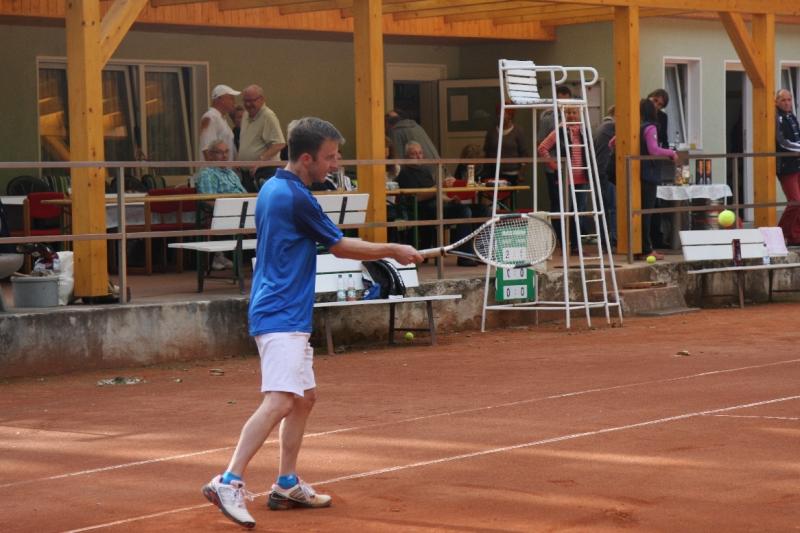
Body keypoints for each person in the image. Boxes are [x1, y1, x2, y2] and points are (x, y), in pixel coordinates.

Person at [202, 117, 422, 528]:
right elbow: (340, 247)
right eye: (330, 157)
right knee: (281, 400)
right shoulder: (295, 197)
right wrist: (394, 248)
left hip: (285, 310)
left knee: (304, 399)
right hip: (280, 312)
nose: (335, 164)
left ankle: (286, 482)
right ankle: (228, 480)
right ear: (306, 158)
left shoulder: (273, 186)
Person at [396, 141, 477, 266]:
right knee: (464, 211)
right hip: (421, 209)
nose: (418, 156)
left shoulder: (425, 170)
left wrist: (450, 199)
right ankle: (464, 256)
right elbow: (417, 197)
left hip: (436, 205)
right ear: (407, 157)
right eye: (414, 154)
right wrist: (440, 186)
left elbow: (436, 193)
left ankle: (482, 254)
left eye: (420, 153)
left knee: (482, 210)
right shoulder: (405, 173)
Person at [538, 105, 589, 254]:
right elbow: (542, 148)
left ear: (579, 114)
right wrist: (554, 165)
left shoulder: (583, 130)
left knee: (579, 211)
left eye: (574, 112)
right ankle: (564, 242)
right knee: (564, 211)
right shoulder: (559, 130)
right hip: (565, 177)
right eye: (568, 112)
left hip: (582, 177)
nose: (571, 115)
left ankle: (576, 245)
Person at [194, 139, 247, 271]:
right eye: (220, 152)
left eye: (226, 152)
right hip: (226, 214)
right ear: (211, 155)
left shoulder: (231, 173)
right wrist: (229, 208)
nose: (225, 156)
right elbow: (208, 200)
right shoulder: (207, 174)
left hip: (244, 211)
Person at [639, 98, 677, 260]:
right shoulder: (650, 128)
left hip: (635, 174)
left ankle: (639, 247)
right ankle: (646, 249)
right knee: (647, 213)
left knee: (638, 212)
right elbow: (653, 150)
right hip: (648, 174)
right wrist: (671, 153)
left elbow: (612, 143)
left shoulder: (635, 127)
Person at [237, 84, 286, 192]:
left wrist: (259, 162)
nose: (248, 104)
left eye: (251, 100)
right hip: (248, 173)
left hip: (265, 172)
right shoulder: (246, 115)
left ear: (262, 99)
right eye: (245, 100)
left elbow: (279, 144)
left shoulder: (268, 116)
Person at [775, 89, 800, 245]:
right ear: (777, 102)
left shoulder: (791, 116)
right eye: (783, 100)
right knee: (795, 201)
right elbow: (782, 142)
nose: (787, 103)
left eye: (789, 100)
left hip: (797, 165)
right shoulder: (776, 117)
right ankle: (779, 233)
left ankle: (794, 236)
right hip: (786, 166)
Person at [482, 106, 530, 185]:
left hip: (511, 173)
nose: (500, 117)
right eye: (499, 114)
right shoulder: (491, 131)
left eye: (504, 114)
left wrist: (521, 172)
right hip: (493, 172)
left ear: (510, 116)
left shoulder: (518, 131)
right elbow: (486, 151)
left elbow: (524, 153)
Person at [594, 105, 617, 248]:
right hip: (607, 172)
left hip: (599, 171)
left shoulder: (602, 126)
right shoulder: (611, 128)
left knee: (602, 206)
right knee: (613, 207)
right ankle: (613, 239)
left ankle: (603, 239)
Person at [199, 84, 240, 161]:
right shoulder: (210, 117)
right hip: (217, 168)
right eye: (231, 98)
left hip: (224, 168)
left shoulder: (221, 118)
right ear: (220, 99)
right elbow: (207, 149)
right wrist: (213, 169)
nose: (234, 102)